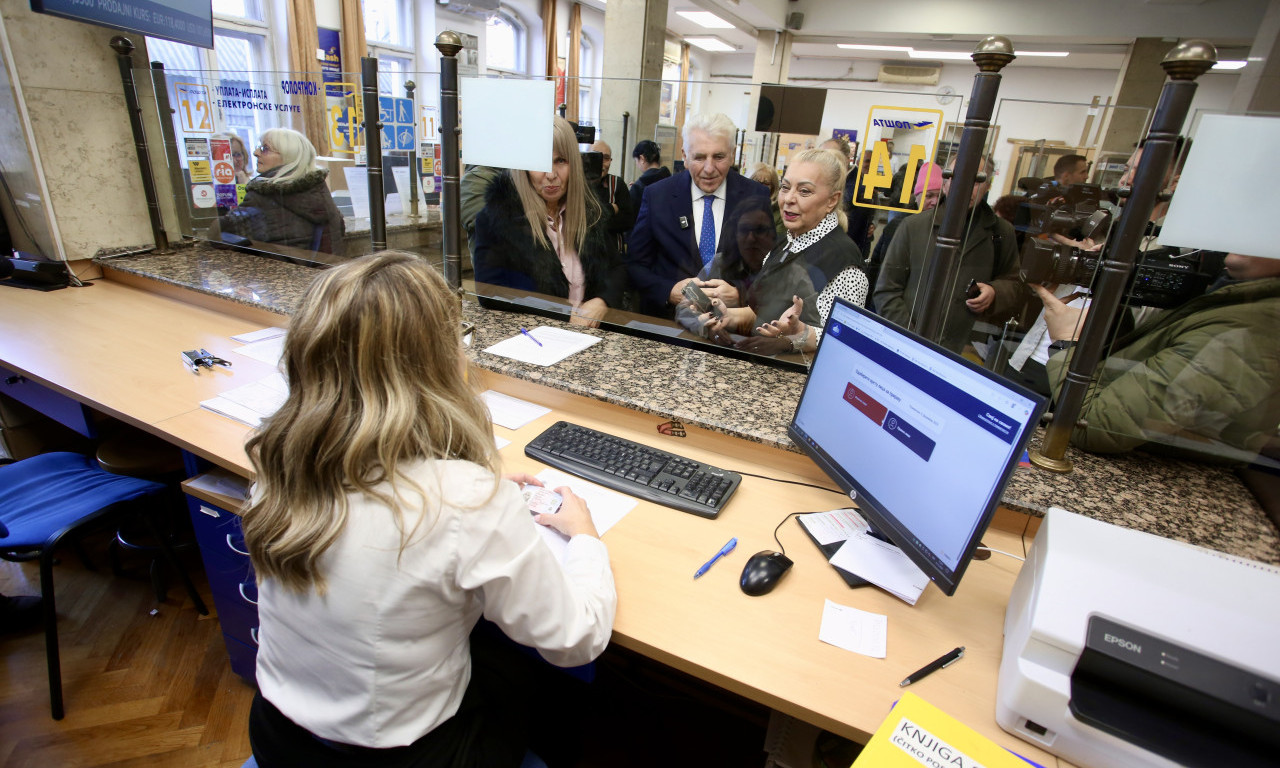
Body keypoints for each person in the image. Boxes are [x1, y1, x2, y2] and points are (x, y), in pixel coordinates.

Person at [242, 251, 617, 767]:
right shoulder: (464, 499)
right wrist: (584, 538)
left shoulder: (281, 458)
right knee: (539, 679)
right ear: (436, 362)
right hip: (405, 757)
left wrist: (464, 488)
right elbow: (576, 639)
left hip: (280, 736)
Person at [1032, 253, 1280, 460]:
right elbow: (1146, 361)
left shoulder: (1255, 326)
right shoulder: (1235, 297)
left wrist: (1067, 341)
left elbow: (1093, 426)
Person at [700, 149, 866, 355]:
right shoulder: (783, 245)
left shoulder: (845, 263)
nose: (789, 199)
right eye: (785, 188)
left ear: (832, 200)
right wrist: (726, 316)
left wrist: (797, 335)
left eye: (804, 191)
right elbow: (760, 314)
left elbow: (842, 340)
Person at [472, 117, 626, 328]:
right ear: (523, 168)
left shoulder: (589, 213)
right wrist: (562, 313)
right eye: (539, 163)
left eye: (561, 161)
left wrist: (602, 300)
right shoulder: (497, 220)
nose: (551, 175)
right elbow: (491, 292)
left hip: (588, 341)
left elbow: (615, 268)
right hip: (534, 341)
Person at [873, 154, 1021, 354]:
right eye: (956, 176)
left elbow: (1014, 283)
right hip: (906, 344)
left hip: (964, 349)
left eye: (977, 180)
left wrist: (995, 292)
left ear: (987, 185)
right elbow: (887, 290)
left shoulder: (1001, 232)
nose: (966, 186)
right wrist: (911, 336)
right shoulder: (913, 227)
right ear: (945, 183)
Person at [627, 113, 770, 318]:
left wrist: (741, 293)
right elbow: (634, 265)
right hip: (669, 328)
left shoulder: (756, 196)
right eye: (699, 157)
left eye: (719, 157)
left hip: (731, 330)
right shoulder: (657, 196)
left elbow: (768, 269)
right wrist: (669, 291)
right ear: (685, 156)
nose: (709, 169)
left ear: (732, 154)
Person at [219, 128, 346, 256]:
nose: (255, 152)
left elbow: (217, 233)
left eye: (265, 149)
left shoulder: (264, 196)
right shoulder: (319, 190)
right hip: (322, 273)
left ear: (287, 157)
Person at [673, 195, 777, 336]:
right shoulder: (720, 263)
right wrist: (702, 324)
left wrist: (740, 297)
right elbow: (684, 309)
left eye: (760, 230)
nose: (751, 238)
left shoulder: (786, 268)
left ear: (772, 235)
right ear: (735, 234)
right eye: (744, 230)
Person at [865, 161, 943, 312]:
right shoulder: (899, 226)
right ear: (917, 196)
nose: (935, 201)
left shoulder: (947, 230)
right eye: (929, 195)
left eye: (939, 196)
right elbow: (879, 269)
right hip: (893, 309)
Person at [589, 139, 635, 250]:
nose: (601, 162)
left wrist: (594, 221)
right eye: (596, 156)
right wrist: (610, 209)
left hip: (613, 257)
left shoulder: (617, 184)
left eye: (606, 158)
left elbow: (627, 221)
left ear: (610, 161)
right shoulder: (576, 184)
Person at [628, 140, 670, 213]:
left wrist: (635, 189)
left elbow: (631, 216)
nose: (637, 165)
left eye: (636, 161)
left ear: (642, 159)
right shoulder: (670, 179)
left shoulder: (638, 187)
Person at [747, 162, 785, 237]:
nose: (759, 187)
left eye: (765, 184)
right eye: (755, 182)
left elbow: (776, 243)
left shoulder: (780, 215)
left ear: (773, 187)